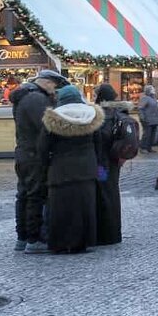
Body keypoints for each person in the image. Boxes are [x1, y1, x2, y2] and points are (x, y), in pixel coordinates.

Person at [39, 84, 104, 254]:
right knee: (85, 206)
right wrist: (98, 166)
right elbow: (99, 146)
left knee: (61, 207)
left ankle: (60, 243)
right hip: (86, 170)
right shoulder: (92, 117)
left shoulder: (53, 119)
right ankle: (83, 242)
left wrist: (45, 165)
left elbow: (43, 148)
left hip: (61, 170)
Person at [11, 69, 67, 252]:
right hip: (34, 154)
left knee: (24, 195)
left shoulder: (25, 96)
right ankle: (34, 240)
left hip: (23, 153)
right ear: (46, 82)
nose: (55, 89)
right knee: (35, 195)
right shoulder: (37, 99)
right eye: (54, 85)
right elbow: (46, 127)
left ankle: (22, 237)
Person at [94, 83, 138, 244]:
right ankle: (112, 232)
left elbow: (101, 139)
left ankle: (107, 234)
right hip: (112, 161)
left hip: (102, 163)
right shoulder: (119, 112)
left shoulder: (104, 114)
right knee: (110, 192)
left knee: (104, 193)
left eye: (95, 94)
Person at [138, 83, 158, 153]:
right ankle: (143, 147)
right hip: (147, 119)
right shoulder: (145, 98)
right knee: (147, 134)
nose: (153, 90)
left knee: (152, 134)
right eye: (152, 89)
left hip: (154, 120)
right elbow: (141, 108)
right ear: (148, 90)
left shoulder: (153, 98)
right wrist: (142, 117)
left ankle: (149, 147)